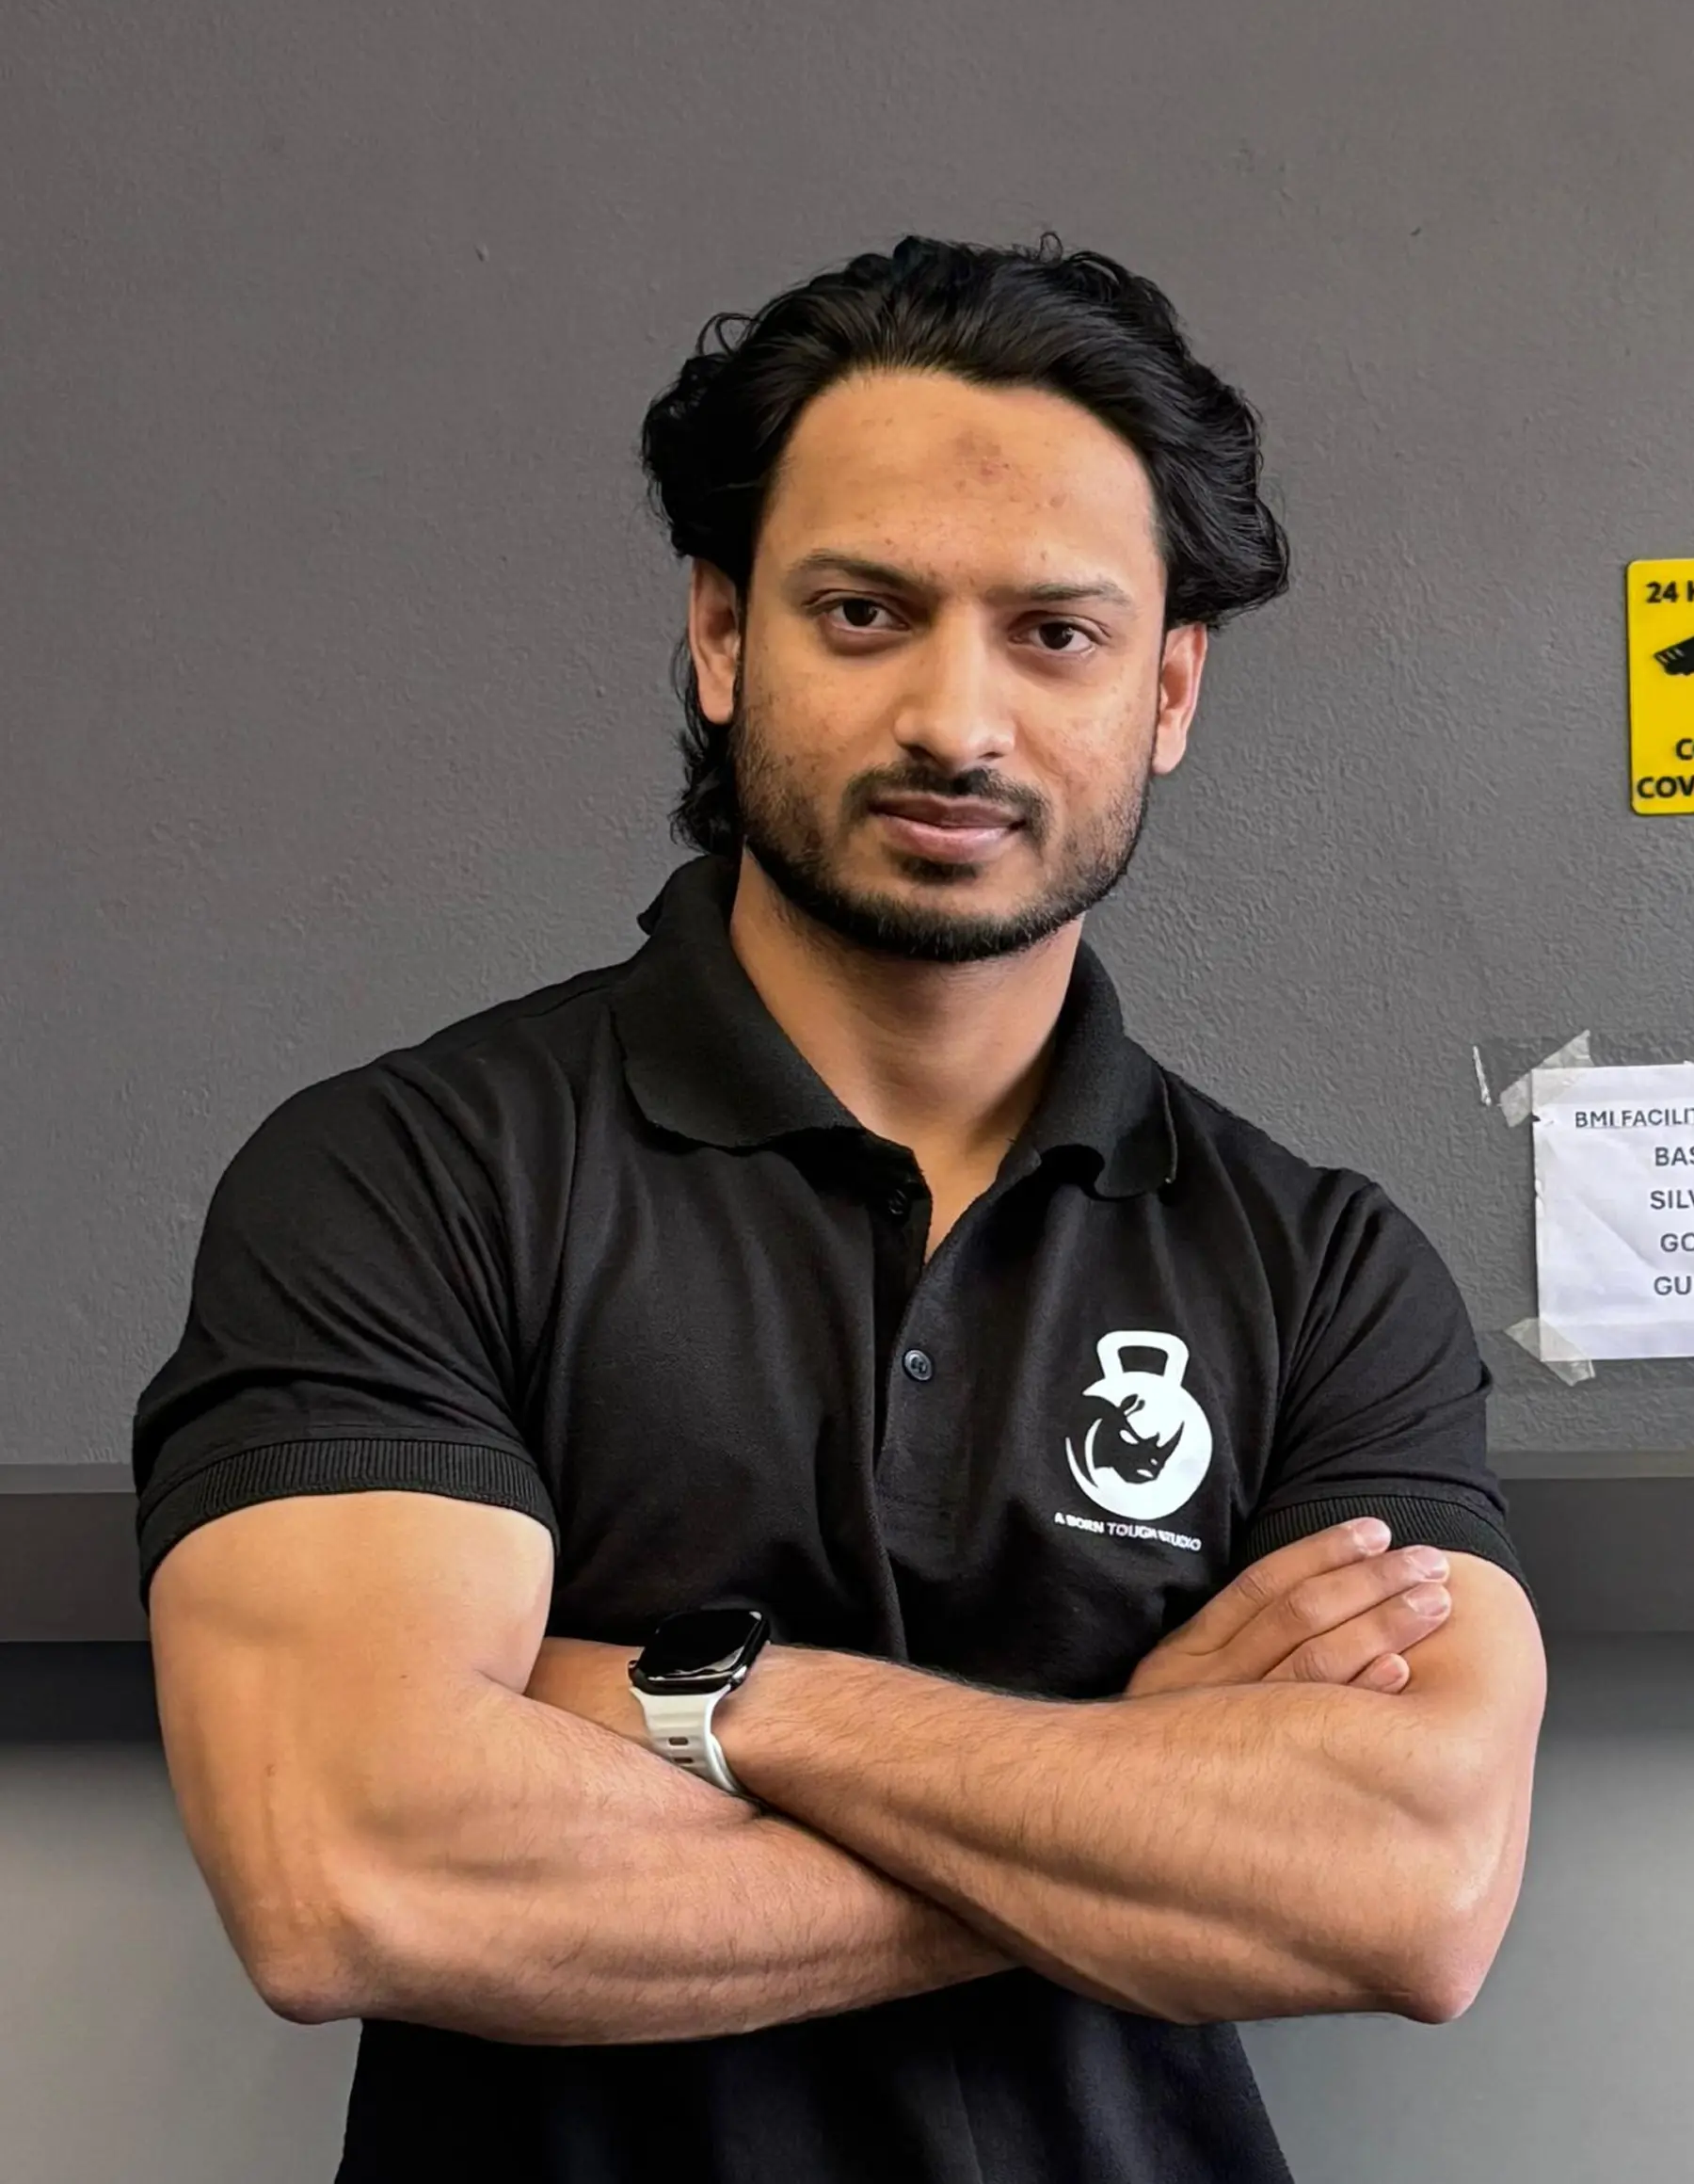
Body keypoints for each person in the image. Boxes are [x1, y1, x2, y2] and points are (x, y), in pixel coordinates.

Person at [132, 233, 1547, 2184]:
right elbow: (353, 1869)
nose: (957, 721)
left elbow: (1407, 1891)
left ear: (1170, 687)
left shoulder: (1325, 1271)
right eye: (867, 613)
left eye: (1055, 633)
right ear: (723, 638)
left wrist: (718, 1701)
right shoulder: (407, 1177)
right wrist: (1132, 1793)